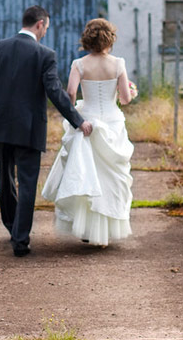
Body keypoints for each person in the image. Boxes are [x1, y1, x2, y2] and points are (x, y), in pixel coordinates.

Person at [0, 5, 92, 257]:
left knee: (5, 179)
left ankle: (11, 228)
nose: (46, 32)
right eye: (46, 27)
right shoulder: (45, 54)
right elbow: (55, 92)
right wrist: (78, 121)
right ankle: (21, 239)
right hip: (29, 129)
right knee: (27, 184)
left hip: (0, 126)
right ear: (39, 24)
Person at [41, 17, 135, 246]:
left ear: (87, 40)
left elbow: (71, 93)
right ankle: (105, 231)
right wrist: (131, 91)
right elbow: (124, 99)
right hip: (112, 124)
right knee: (111, 177)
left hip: (88, 124)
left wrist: (75, 110)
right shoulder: (119, 64)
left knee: (86, 175)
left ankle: (86, 228)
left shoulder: (79, 64)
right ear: (110, 39)